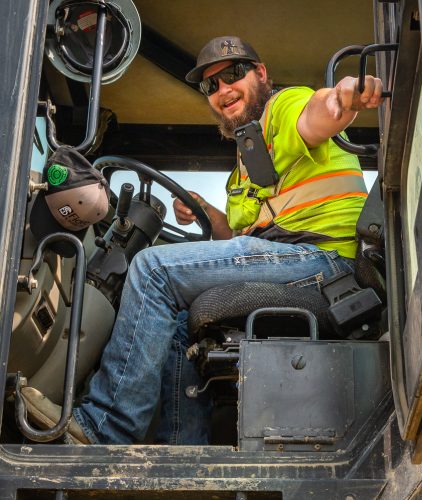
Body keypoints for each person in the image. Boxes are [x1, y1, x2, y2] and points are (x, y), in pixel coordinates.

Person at [21, 36, 384, 445]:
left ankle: (106, 427)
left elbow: (319, 111)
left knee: (152, 269)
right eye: (211, 85)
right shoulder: (243, 171)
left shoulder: (283, 108)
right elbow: (244, 240)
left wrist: (343, 97)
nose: (223, 90)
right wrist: (207, 213)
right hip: (292, 258)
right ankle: (183, 452)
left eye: (233, 74)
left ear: (261, 74)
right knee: (179, 322)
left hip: (326, 261)